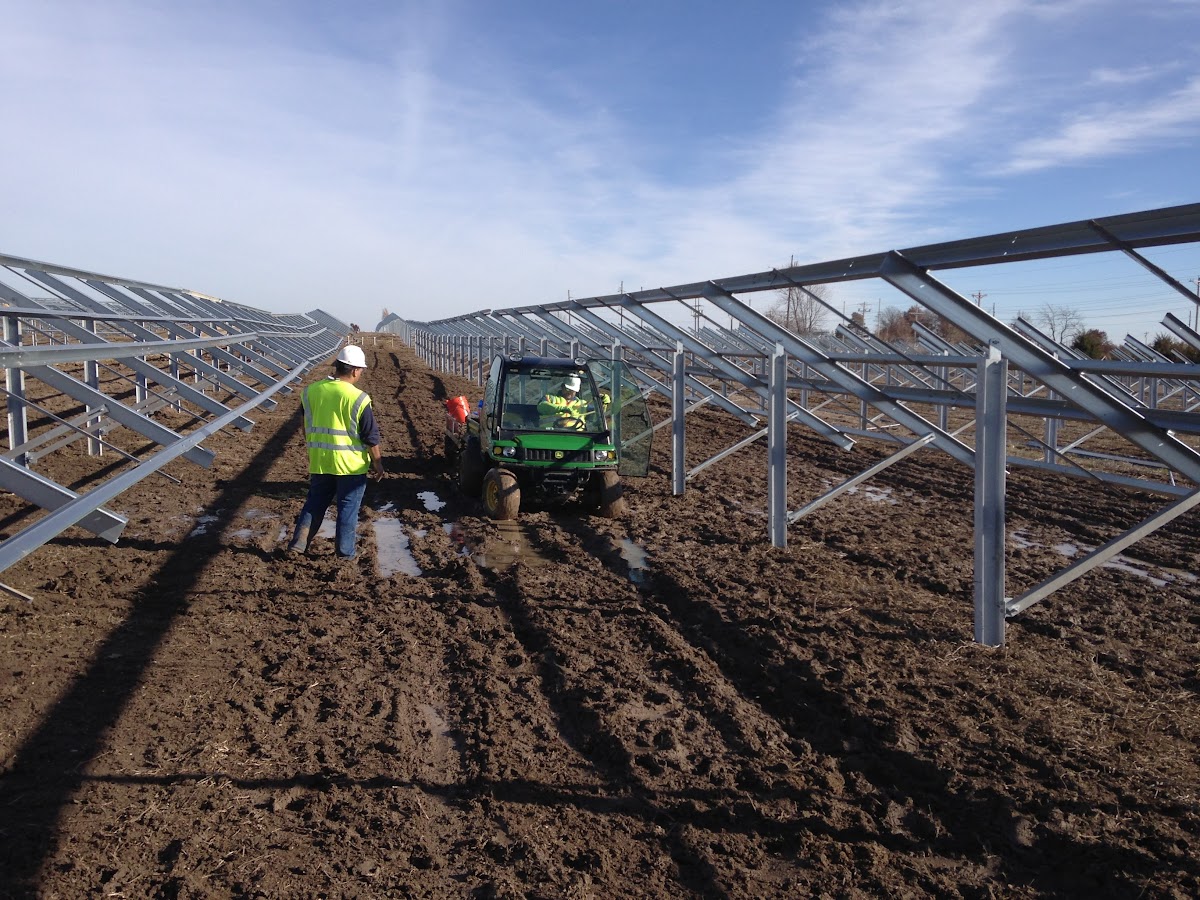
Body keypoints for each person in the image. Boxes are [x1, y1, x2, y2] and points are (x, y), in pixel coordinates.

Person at [287, 345, 386, 558]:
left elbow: (306, 426)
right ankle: (345, 554)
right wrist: (377, 462)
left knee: (314, 503)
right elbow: (370, 436)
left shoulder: (310, 391)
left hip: (321, 461)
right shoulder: (358, 398)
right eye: (360, 370)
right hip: (351, 466)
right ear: (354, 371)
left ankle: (297, 544)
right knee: (347, 510)